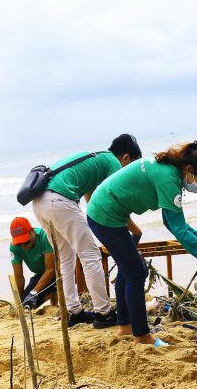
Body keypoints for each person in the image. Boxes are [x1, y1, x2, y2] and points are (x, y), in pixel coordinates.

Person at [87, 142, 197, 346]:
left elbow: (173, 222)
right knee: (136, 272)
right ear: (190, 169)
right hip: (105, 215)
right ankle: (142, 336)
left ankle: (125, 328)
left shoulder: (170, 171)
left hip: (106, 210)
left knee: (128, 268)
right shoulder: (168, 178)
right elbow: (178, 229)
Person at [33, 134, 143, 327]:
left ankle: (73, 311)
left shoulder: (96, 159)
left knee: (66, 258)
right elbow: (115, 203)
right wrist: (135, 229)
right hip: (60, 201)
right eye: (131, 166)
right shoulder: (113, 164)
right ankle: (104, 313)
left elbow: (91, 202)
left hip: (40, 202)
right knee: (90, 254)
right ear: (126, 158)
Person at [10, 217, 57, 309]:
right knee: (26, 304)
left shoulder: (45, 237)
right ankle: (50, 293)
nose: (24, 246)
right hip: (40, 275)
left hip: (58, 272)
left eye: (26, 242)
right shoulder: (14, 247)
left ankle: (54, 293)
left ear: (32, 232)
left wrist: (34, 292)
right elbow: (19, 277)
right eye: (20, 243)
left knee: (33, 296)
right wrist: (19, 302)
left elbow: (50, 270)